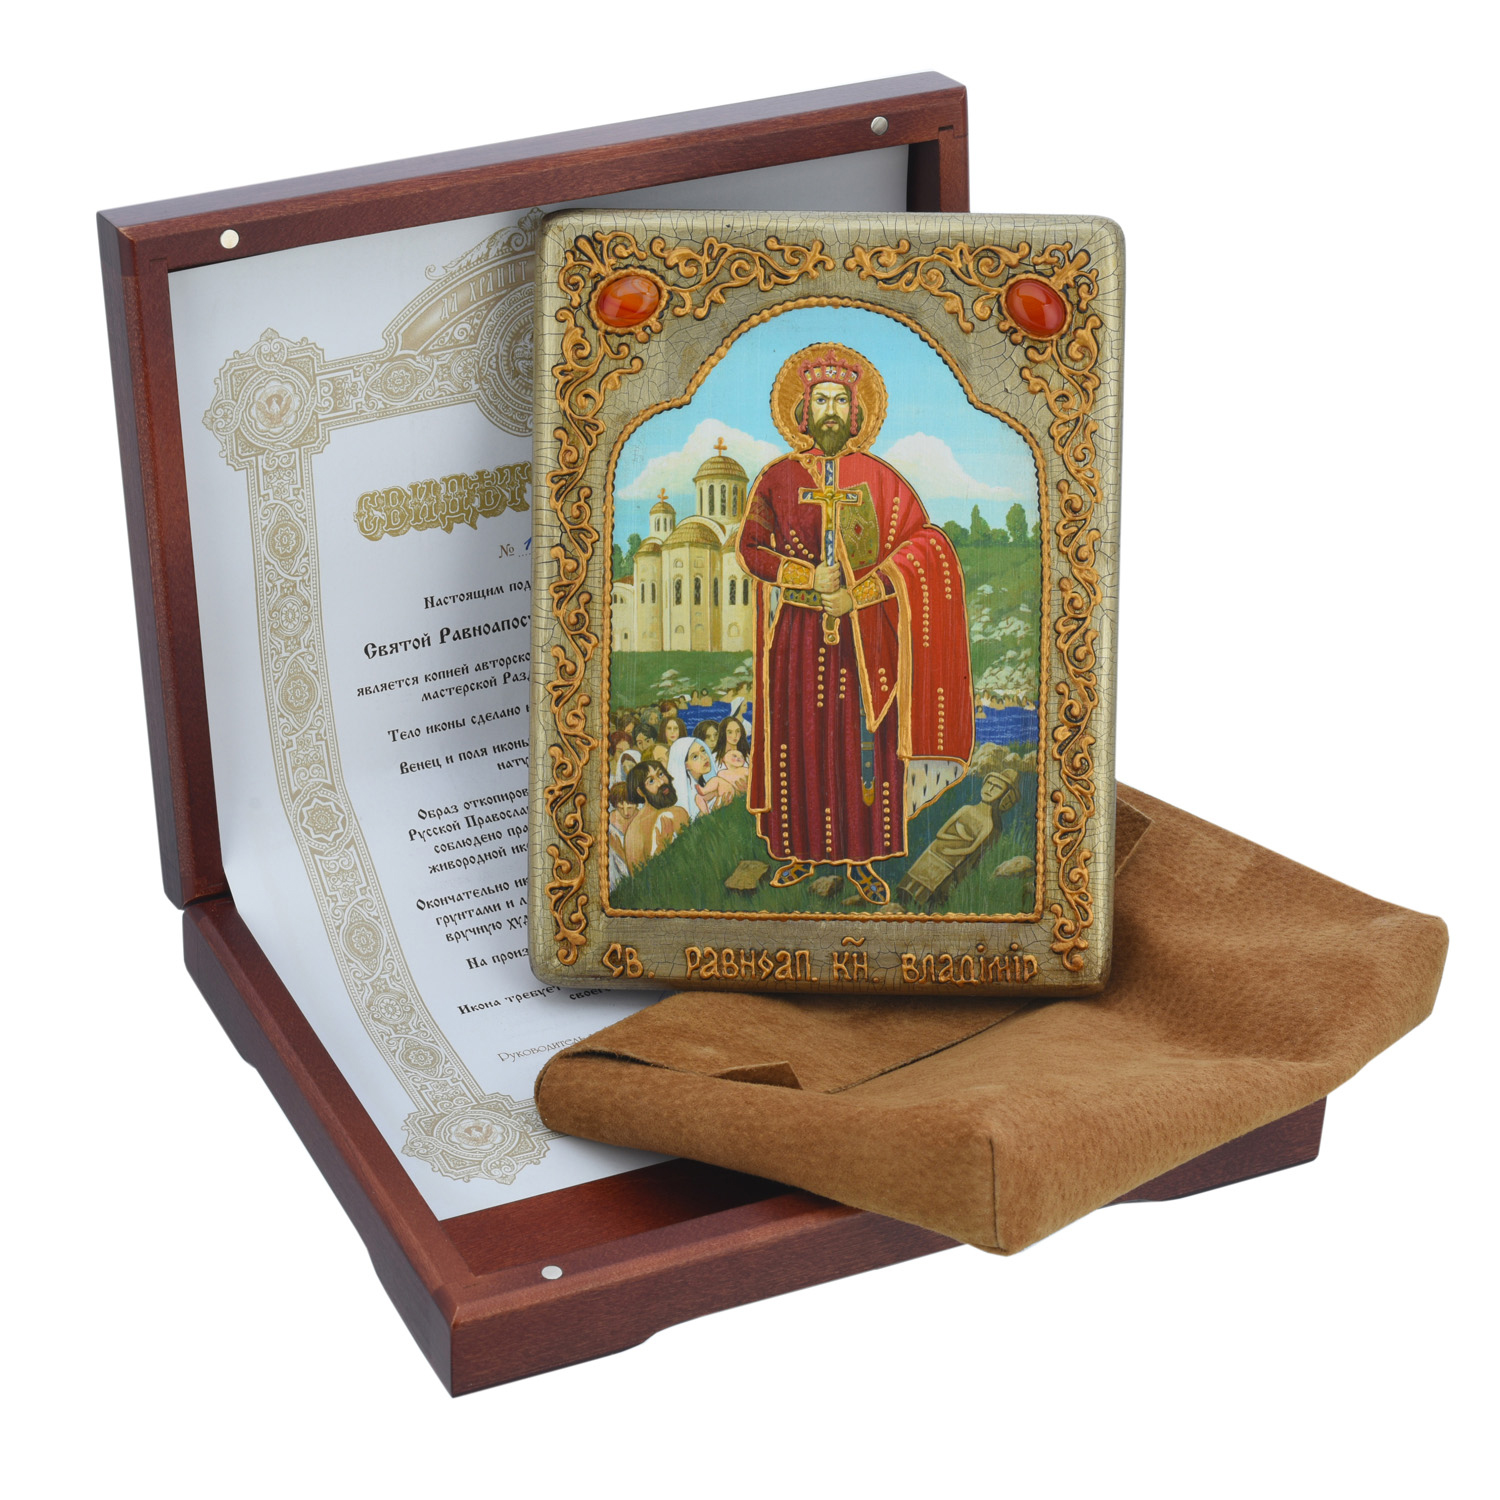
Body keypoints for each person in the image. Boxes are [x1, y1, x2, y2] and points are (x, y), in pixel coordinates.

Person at [737, 341, 973, 905]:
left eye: (840, 400)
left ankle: (863, 859)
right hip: (797, 636)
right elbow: (750, 549)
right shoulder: (778, 478)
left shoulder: (880, 478)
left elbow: (924, 545)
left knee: (863, 746)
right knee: (799, 742)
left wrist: (857, 595)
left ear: (856, 410)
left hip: (866, 642)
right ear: (804, 410)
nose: (831, 411)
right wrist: (802, 575)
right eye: (821, 400)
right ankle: (801, 852)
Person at [622, 758, 688, 871]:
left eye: (661, 774)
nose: (661, 782)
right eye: (651, 781)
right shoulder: (674, 814)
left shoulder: (632, 829)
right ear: (640, 792)